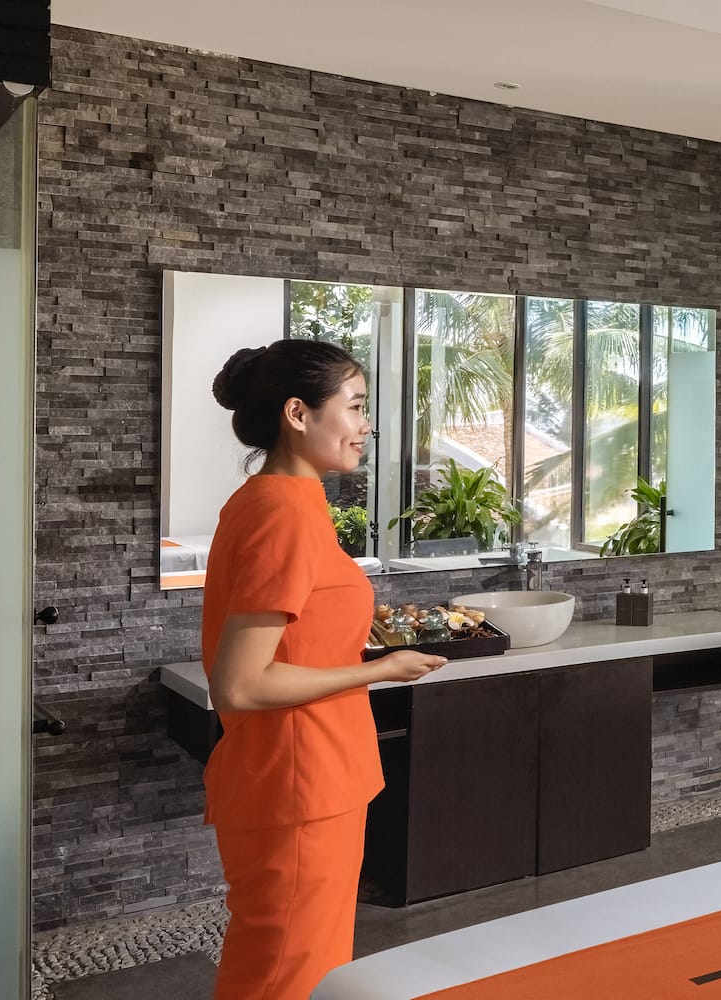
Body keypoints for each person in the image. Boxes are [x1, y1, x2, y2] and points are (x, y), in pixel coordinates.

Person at [203, 340, 445, 999]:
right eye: (356, 406)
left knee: (304, 970)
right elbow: (243, 683)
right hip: (297, 784)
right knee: (285, 975)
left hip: (312, 780)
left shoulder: (286, 503)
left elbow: (295, 635)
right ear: (298, 414)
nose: (367, 425)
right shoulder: (282, 514)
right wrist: (381, 669)